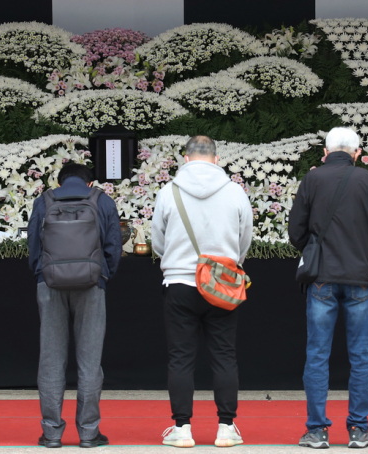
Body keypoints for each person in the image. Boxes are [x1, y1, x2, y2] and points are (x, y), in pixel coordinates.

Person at [288, 127, 368, 449]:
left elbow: (296, 232)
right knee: (361, 355)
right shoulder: (367, 180)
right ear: (357, 151)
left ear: (326, 149)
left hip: (322, 277)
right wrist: (364, 249)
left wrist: (316, 248)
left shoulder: (312, 179)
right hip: (361, 277)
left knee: (317, 355)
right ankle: (359, 429)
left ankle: (317, 430)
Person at [151, 135, 253, 448]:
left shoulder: (169, 192)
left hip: (180, 283)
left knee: (180, 357)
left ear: (185, 158)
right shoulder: (235, 192)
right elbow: (244, 239)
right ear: (216, 159)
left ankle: (182, 428)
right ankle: (226, 427)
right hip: (222, 284)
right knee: (224, 355)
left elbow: (158, 241)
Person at [26, 163, 121, 449]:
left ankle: (52, 433)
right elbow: (113, 247)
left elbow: (32, 245)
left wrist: (42, 275)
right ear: (89, 182)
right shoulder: (102, 201)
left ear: (59, 181)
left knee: (51, 360)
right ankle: (89, 433)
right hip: (91, 284)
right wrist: (102, 275)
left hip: (50, 283)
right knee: (90, 361)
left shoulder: (44, 201)